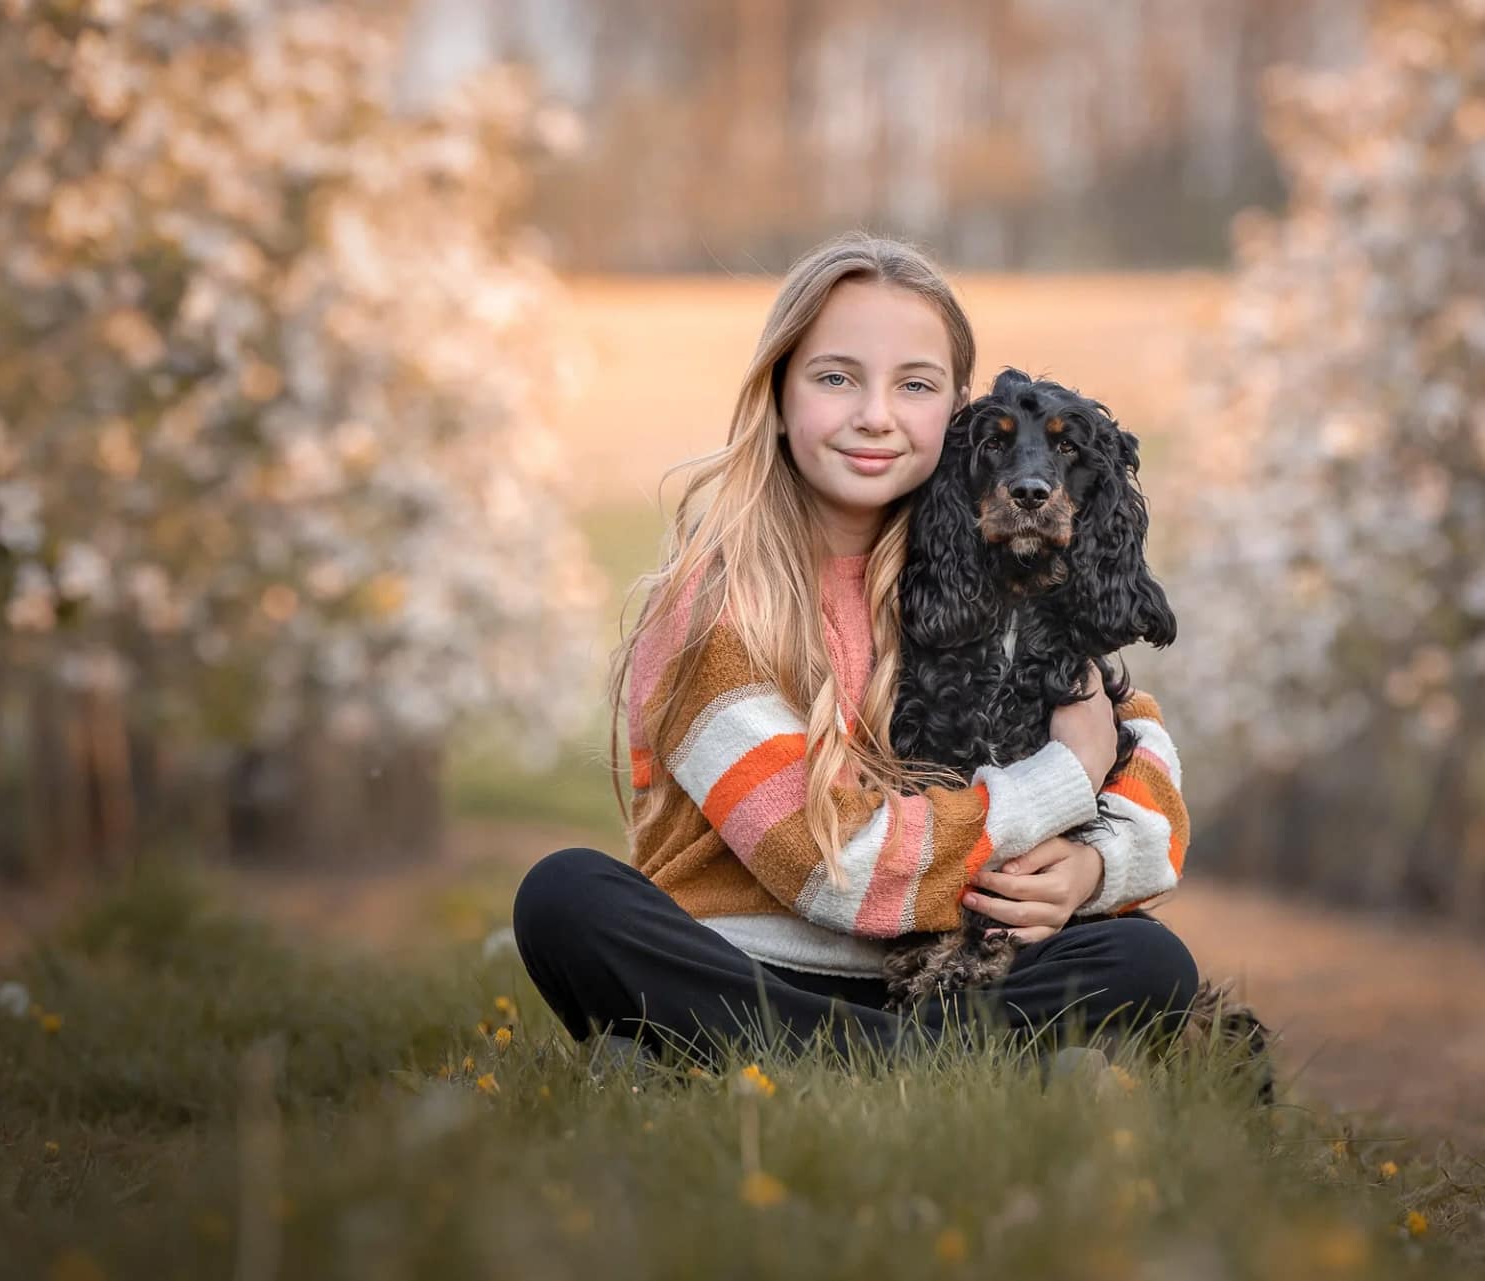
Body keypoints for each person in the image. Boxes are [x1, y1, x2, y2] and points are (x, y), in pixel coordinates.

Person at [513, 232, 1197, 1069]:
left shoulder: (967, 571)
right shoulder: (718, 604)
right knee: (565, 896)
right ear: (778, 393)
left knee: (1150, 959)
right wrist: (1061, 779)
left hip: (924, 970)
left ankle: (753, 1057)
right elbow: (826, 868)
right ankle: (925, 1061)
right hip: (745, 965)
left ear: (955, 417)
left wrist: (1093, 867)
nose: (875, 414)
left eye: (914, 385)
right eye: (836, 377)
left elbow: (1133, 737)